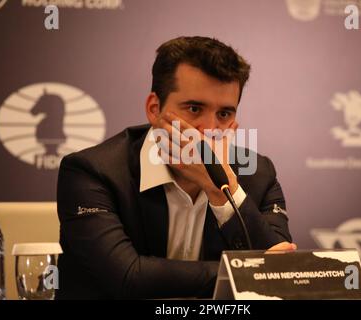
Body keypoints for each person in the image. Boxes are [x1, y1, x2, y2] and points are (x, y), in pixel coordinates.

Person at [56, 36, 296, 299]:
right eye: (194, 108)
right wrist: (242, 273)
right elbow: (127, 277)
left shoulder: (258, 174)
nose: (209, 130)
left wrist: (222, 192)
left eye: (224, 114)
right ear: (154, 108)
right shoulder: (92, 172)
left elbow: (280, 277)